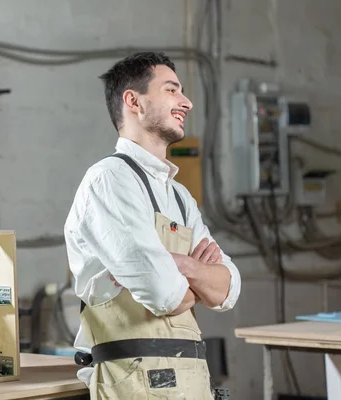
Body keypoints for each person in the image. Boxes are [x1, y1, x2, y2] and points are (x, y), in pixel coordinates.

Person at [63, 52, 241, 399]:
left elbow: (227, 290)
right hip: (134, 383)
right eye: (172, 90)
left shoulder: (178, 195)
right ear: (134, 101)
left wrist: (182, 266)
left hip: (191, 380)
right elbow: (166, 294)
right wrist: (196, 284)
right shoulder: (108, 181)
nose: (186, 102)